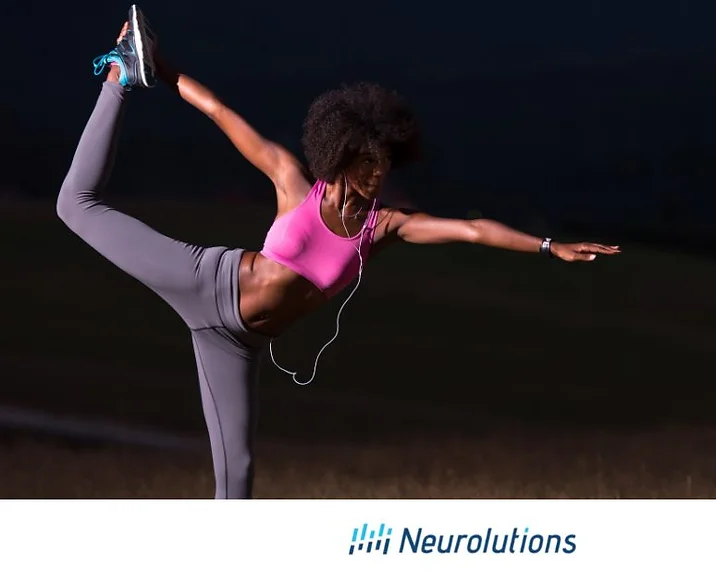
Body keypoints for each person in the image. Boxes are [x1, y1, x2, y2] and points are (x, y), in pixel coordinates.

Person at [56, 6, 621, 499]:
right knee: (75, 206)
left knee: (237, 477)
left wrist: (549, 247)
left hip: (237, 342)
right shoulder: (293, 184)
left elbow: (472, 231)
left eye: (385, 166)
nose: (377, 176)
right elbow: (221, 114)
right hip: (206, 281)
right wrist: (159, 66)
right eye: (367, 164)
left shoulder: (382, 228)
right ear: (344, 155)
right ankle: (119, 76)